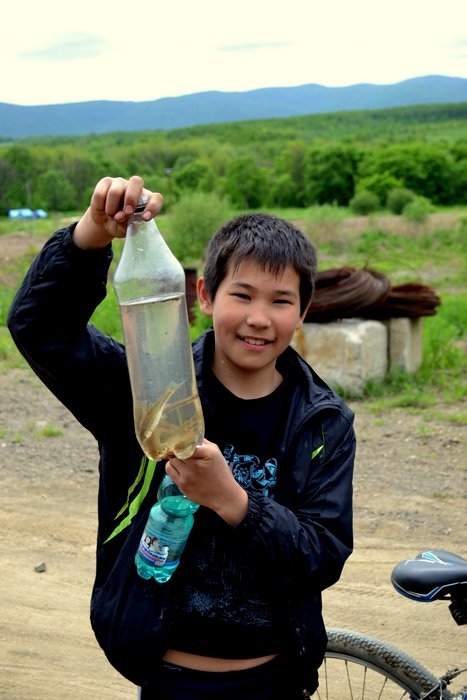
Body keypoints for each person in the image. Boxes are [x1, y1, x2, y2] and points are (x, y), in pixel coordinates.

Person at [8, 175, 355, 699]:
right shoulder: (147, 390)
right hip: (172, 683)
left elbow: (322, 554)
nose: (259, 318)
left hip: (275, 681)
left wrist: (233, 500)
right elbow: (39, 327)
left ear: (302, 312)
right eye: (242, 294)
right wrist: (90, 236)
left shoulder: (323, 423)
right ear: (205, 295)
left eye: (281, 301)